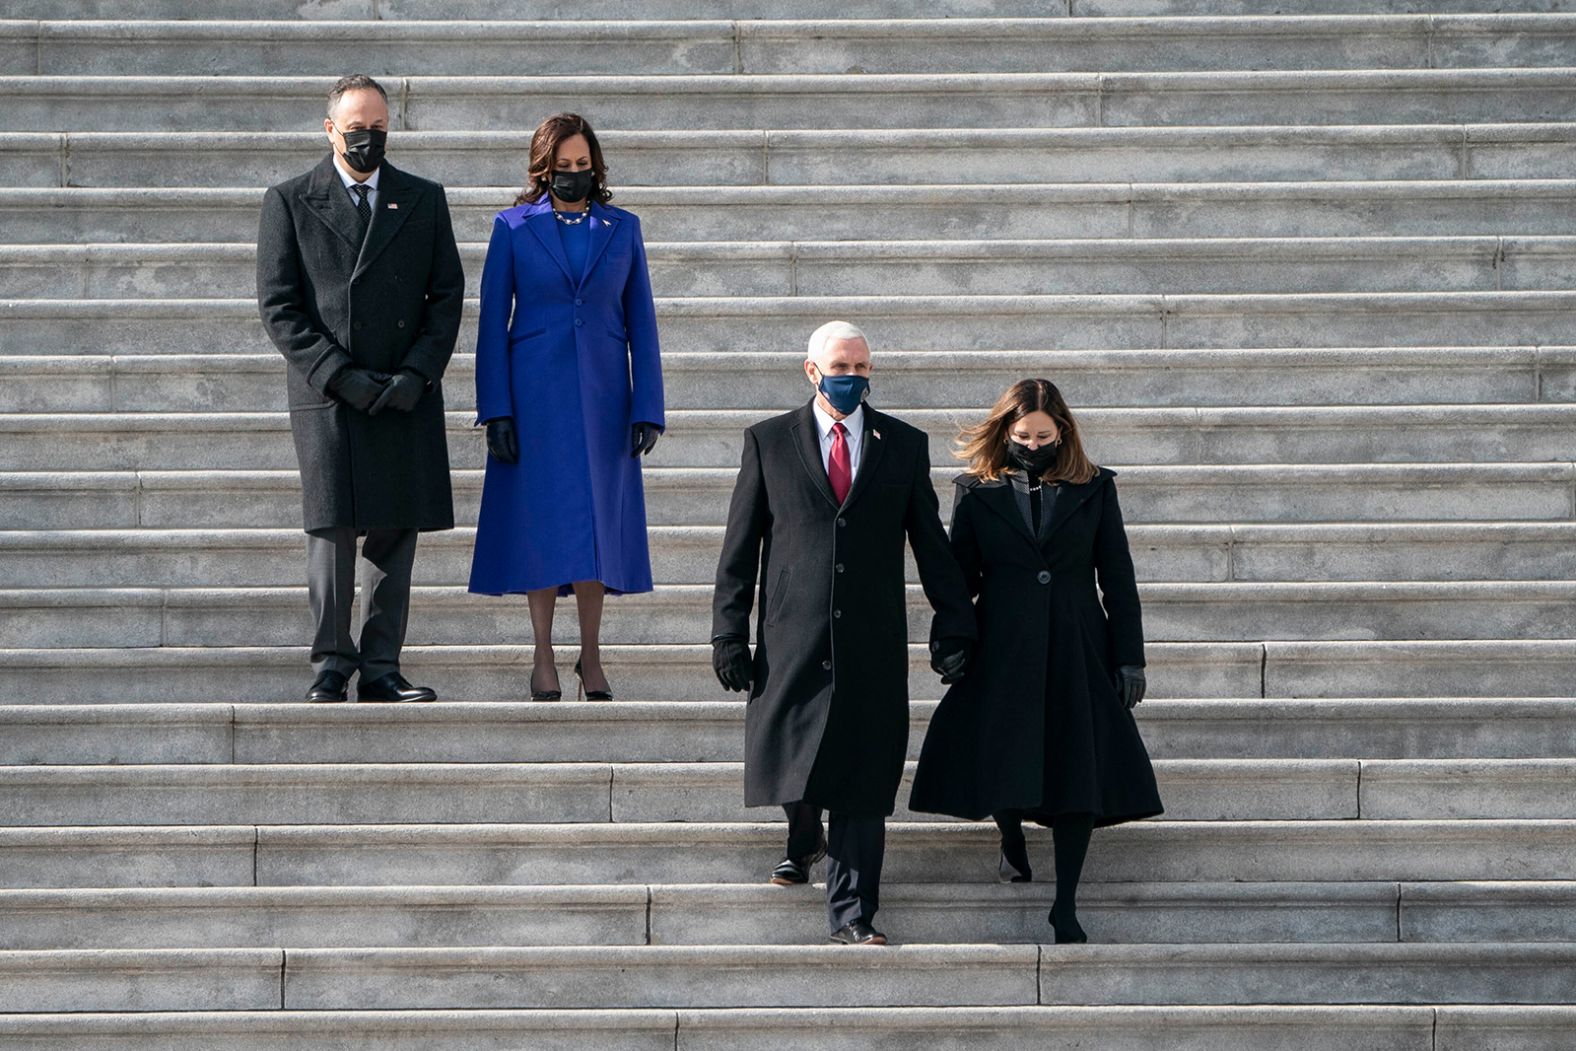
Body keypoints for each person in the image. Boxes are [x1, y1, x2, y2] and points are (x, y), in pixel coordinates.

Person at [711, 321, 976, 946]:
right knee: (789, 760)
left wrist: (955, 621)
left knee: (862, 776)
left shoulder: (903, 445)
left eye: (861, 368)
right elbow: (739, 548)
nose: (851, 378)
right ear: (811, 370)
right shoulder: (769, 441)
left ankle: (853, 913)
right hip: (790, 636)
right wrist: (728, 633)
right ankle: (804, 837)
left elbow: (931, 545)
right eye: (840, 367)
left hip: (870, 641)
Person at [909, 378, 1163, 943]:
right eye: (1022, 435)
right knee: (1005, 756)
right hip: (1003, 643)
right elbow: (959, 577)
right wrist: (950, 640)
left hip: (1077, 646)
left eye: (1043, 435)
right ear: (1006, 431)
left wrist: (1130, 659)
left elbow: (1118, 581)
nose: (1032, 443)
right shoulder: (976, 490)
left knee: (1078, 772)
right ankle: (1011, 836)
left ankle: (1064, 904)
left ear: (1062, 432)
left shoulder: (1095, 488)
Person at [256, 73, 463, 704]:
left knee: (395, 530)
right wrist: (340, 374)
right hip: (329, 394)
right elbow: (280, 305)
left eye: (378, 129)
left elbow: (446, 296)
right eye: (355, 129)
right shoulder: (291, 200)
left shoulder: (423, 199)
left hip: (403, 391)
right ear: (330, 129)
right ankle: (329, 663)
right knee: (333, 528)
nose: (368, 140)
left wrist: (416, 374)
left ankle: (380, 666)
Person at [468, 113, 664, 703]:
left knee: (598, 524)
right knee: (541, 525)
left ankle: (593, 654)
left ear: (595, 167)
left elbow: (643, 323)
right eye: (562, 168)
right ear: (543, 168)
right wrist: (494, 408)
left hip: (606, 399)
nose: (574, 176)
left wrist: (647, 405)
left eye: (583, 166)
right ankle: (543, 654)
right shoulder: (512, 228)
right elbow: (489, 324)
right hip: (535, 399)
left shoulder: (622, 228)